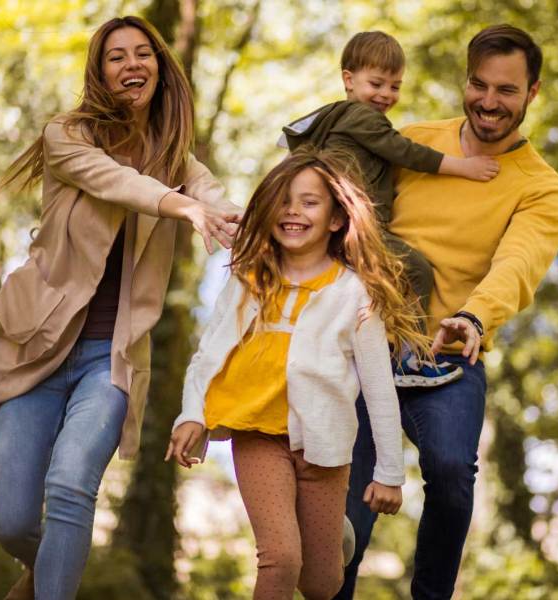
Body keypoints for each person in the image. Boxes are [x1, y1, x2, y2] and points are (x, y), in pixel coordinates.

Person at [0, 16, 242, 600]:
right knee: (11, 521)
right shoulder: (67, 136)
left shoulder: (180, 162)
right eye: (117, 56)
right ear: (99, 71)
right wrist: (180, 207)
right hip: (33, 344)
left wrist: (263, 230)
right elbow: (115, 181)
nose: (132, 64)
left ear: (162, 70)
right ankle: (45, 573)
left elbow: (222, 205)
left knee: (71, 487)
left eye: (144, 54)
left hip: (108, 357)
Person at [335, 24, 558, 600]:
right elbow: (344, 200)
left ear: (532, 92)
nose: (489, 101)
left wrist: (474, 316)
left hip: (448, 351)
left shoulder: (540, 188)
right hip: (368, 345)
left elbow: (516, 264)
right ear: (465, 81)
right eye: (479, 84)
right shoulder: (411, 141)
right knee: (349, 509)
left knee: (450, 476)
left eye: (507, 91)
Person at [166, 149, 431, 600]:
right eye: (284, 201)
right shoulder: (249, 277)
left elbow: (378, 388)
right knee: (282, 558)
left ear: (334, 219)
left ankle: (332, 534)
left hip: (325, 448)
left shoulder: (355, 293)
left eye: (309, 202)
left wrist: (389, 472)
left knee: (321, 582)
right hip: (258, 435)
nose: (292, 211)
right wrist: (191, 413)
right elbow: (210, 350)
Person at [282, 31, 501, 388]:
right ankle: (411, 358)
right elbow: (406, 152)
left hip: (343, 227)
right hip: (358, 226)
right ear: (348, 81)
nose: (386, 95)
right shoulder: (360, 116)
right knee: (414, 269)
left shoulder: (337, 119)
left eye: (395, 86)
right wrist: (465, 167)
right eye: (377, 83)